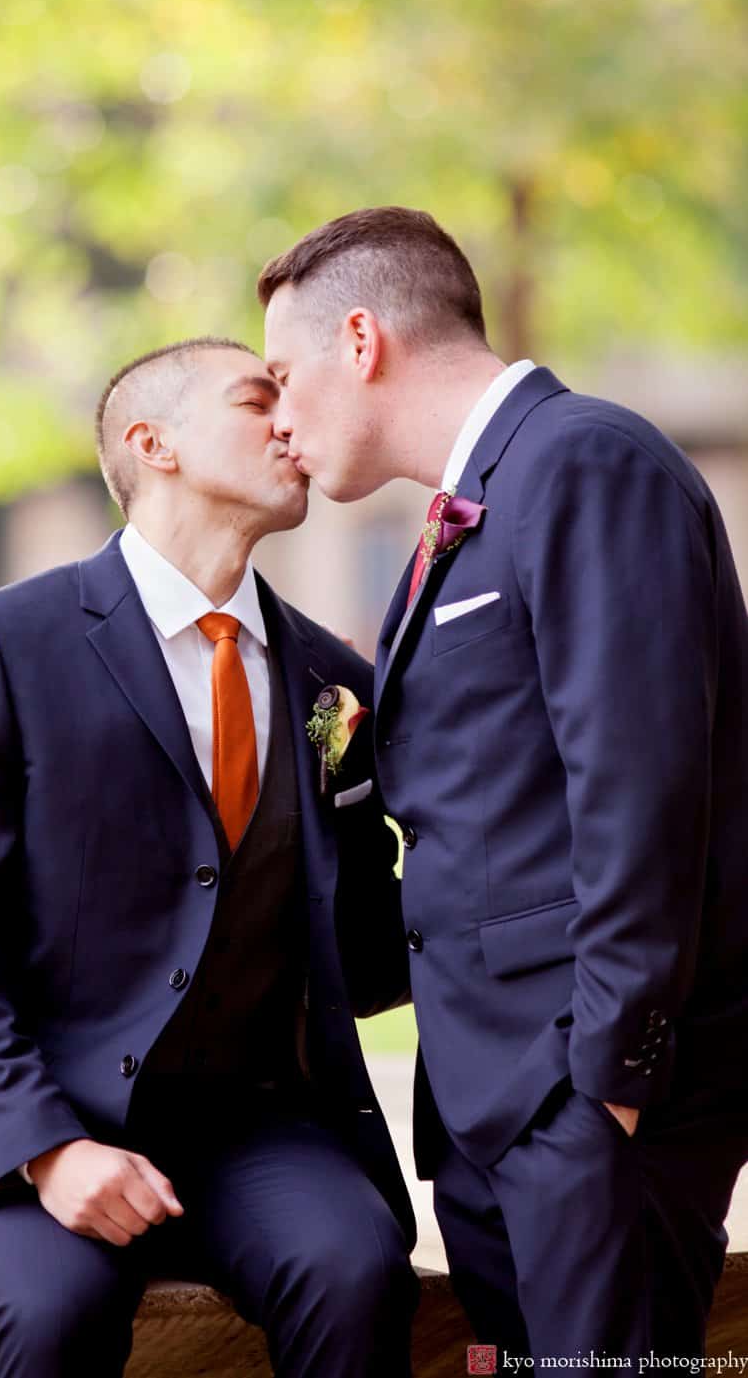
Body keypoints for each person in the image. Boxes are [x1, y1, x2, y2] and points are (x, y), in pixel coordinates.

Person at [258, 206, 748, 1366]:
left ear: (362, 340)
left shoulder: (584, 461)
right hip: (494, 1101)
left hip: (593, 1098)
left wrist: (607, 1087)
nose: (278, 416)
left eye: (282, 375)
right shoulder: (474, 501)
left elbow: (642, 787)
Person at [0, 335, 418, 1378]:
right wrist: (45, 1145)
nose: (290, 423)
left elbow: (364, 940)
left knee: (356, 1272)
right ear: (152, 444)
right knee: (55, 1311)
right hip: (22, 1114)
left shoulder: (331, 683)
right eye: (256, 398)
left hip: (251, 1126)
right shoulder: (1, 643)